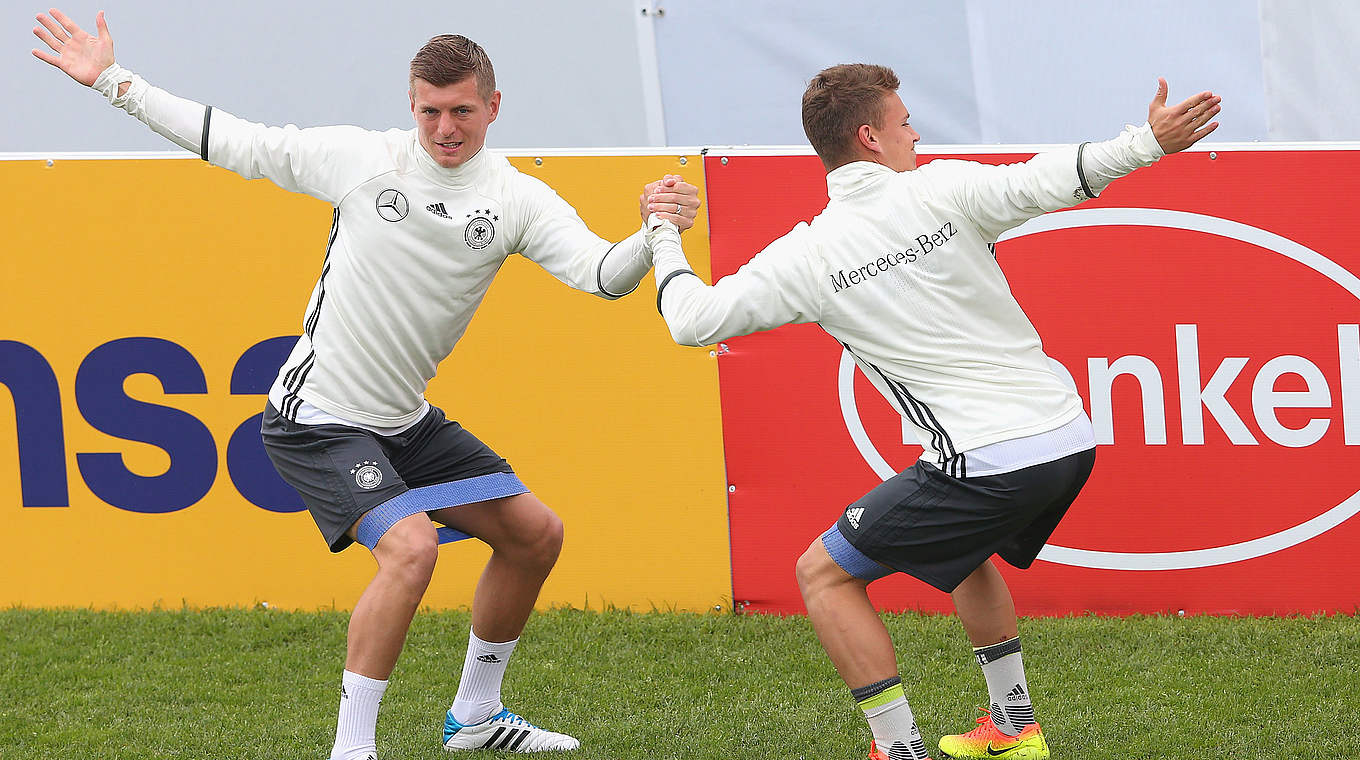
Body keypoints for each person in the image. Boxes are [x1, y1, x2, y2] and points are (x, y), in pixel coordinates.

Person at [33, 9, 700, 759]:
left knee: (536, 535)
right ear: (410, 105)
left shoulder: (517, 199)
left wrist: (653, 235)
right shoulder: (363, 160)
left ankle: (475, 718)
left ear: (494, 106)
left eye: (462, 111)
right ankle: (352, 750)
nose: (446, 128)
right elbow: (234, 141)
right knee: (412, 550)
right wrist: (113, 82)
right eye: (430, 111)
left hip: (403, 421)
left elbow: (601, 276)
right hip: (313, 418)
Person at [643, 64, 1219, 760]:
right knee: (964, 550)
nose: (916, 131)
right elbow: (1051, 177)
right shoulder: (942, 189)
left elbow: (690, 320)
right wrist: (1148, 142)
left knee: (821, 575)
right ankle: (1013, 728)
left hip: (990, 460)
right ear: (870, 138)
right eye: (904, 120)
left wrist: (663, 233)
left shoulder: (809, 253)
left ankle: (898, 749)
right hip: (1068, 439)